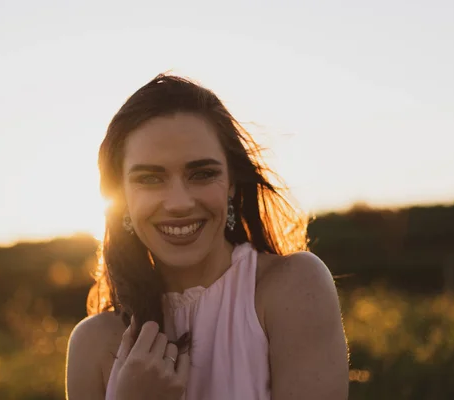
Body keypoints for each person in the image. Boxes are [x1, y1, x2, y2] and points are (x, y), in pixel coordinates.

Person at [66, 73, 349, 400]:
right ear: (121, 195)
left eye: (202, 174)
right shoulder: (93, 345)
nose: (179, 203)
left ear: (230, 182)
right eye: (150, 179)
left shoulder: (292, 288)